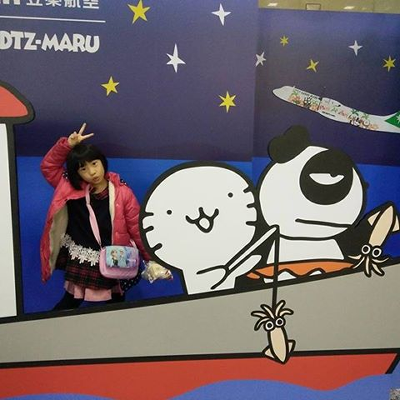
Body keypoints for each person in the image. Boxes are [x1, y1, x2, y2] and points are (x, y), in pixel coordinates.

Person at [40, 123, 151, 310]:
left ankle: (117, 328)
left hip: (115, 256)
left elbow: (136, 228)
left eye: (94, 164)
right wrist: (67, 145)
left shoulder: (123, 192)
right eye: (83, 168)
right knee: (71, 301)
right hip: (84, 256)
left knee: (116, 301)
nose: (92, 172)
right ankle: (52, 327)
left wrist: (150, 259)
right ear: (76, 172)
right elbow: (48, 167)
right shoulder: (71, 187)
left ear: (102, 162)